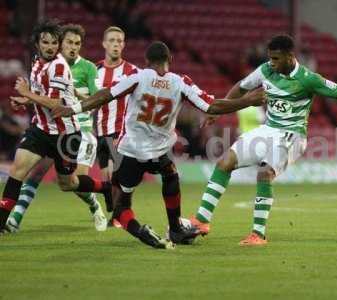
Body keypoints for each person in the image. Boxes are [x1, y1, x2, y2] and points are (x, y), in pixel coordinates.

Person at [52, 41, 266, 249]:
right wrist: (247, 100)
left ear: (147, 61)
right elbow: (212, 106)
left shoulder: (136, 77)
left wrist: (73, 109)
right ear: (170, 59)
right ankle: (175, 229)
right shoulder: (180, 82)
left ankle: (142, 232)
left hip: (130, 152)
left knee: (122, 206)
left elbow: (105, 95)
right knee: (170, 176)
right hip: (159, 151)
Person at [190, 34, 337, 246]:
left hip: (292, 135)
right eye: (270, 58)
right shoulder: (266, 69)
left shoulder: (307, 79)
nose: (272, 63)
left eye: (276, 59)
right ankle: (201, 220)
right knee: (224, 163)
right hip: (268, 129)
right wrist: (219, 110)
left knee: (265, 173)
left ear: (290, 56)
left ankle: (258, 234)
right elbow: (242, 86)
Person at [0, 20, 112, 233]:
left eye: (53, 43)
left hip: (66, 135)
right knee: (18, 171)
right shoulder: (36, 61)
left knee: (67, 184)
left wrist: (26, 94)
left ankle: (105, 188)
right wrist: (26, 100)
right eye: (46, 43)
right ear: (37, 44)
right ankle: (3, 223)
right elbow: (42, 94)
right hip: (41, 130)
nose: (50, 47)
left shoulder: (59, 66)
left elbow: (56, 104)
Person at [94, 26, 137, 220]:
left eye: (119, 41)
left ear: (124, 45)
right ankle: (114, 210)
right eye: (112, 40)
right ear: (104, 44)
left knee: (118, 175)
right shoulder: (95, 70)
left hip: (121, 131)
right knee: (106, 181)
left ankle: (122, 214)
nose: (116, 44)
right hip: (101, 131)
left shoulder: (132, 71)